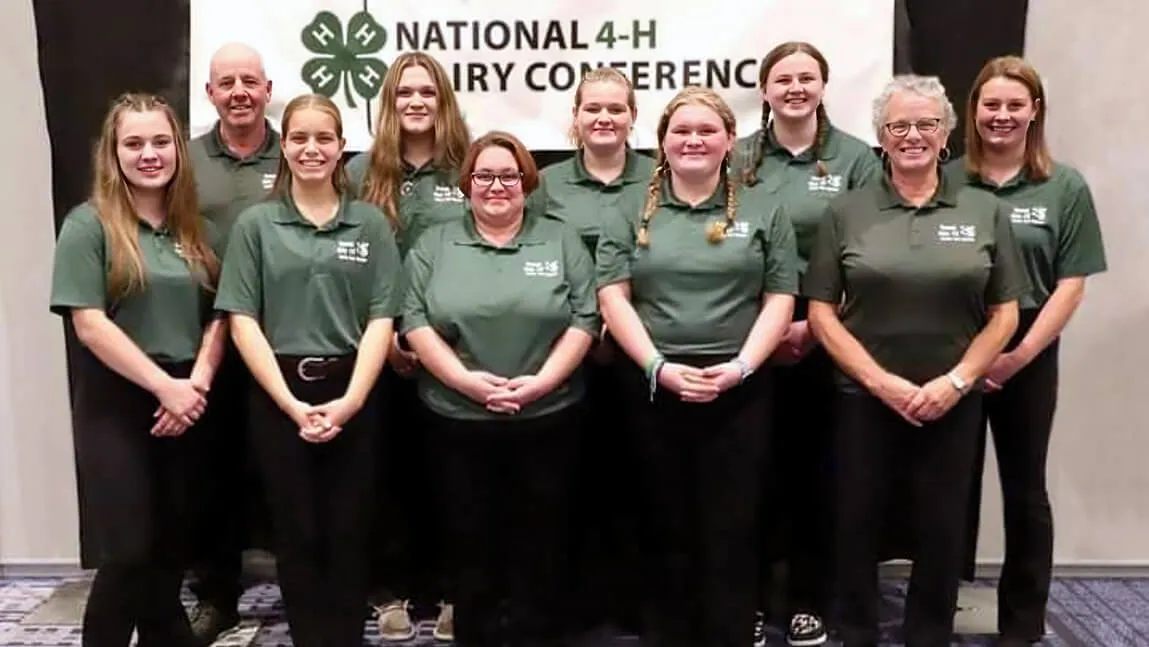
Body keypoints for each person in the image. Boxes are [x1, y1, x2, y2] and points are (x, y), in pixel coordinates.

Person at [802, 74, 1030, 647]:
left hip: (953, 398)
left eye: (926, 123)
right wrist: (880, 383)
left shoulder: (984, 211)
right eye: (898, 125)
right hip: (863, 397)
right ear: (880, 135)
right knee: (855, 519)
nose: (913, 135)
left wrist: (957, 381)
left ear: (947, 131)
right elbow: (822, 312)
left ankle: (928, 633)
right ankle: (854, 630)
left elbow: (1004, 314)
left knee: (943, 525)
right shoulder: (846, 212)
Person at [596, 86, 799, 647]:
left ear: (730, 141)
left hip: (740, 386)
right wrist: (658, 366)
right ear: (661, 142)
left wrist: (741, 368)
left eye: (707, 131)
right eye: (681, 131)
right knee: (662, 514)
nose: (693, 140)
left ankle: (729, 630)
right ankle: (666, 630)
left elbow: (781, 298)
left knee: (731, 519)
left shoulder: (764, 208)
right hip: (652, 383)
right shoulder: (627, 207)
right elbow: (613, 296)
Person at [214, 93, 403, 647]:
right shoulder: (257, 225)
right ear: (284, 148)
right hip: (279, 393)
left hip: (356, 390)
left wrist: (350, 402)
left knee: (350, 527)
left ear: (342, 148)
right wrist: (290, 404)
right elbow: (242, 320)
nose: (311, 149)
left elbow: (381, 320)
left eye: (324, 138)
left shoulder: (369, 223)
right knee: (295, 530)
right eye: (299, 138)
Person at [400, 131, 598, 647]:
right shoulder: (434, 243)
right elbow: (415, 320)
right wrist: (466, 382)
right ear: (467, 183)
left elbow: (586, 316)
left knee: (544, 546)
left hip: (549, 416)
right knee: (470, 547)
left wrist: (540, 384)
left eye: (507, 176)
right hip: (456, 420)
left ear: (526, 183)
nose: (496, 186)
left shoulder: (560, 238)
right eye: (484, 176)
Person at [49, 92, 226, 647]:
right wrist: (164, 388)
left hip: (186, 398)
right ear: (113, 152)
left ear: (177, 147)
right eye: (134, 143)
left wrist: (193, 384)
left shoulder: (196, 231)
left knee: (170, 551)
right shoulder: (89, 226)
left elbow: (219, 317)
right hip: (118, 403)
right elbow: (90, 325)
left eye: (159, 141)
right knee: (128, 551)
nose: (149, 154)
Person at [951, 56, 1107, 647]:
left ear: (1034, 111)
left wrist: (1018, 356)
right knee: (948, 488)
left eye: (1015, 104)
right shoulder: (948, 179)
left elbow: (1071, 283)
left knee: (1025, 488)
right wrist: (973, 358)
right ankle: (934, 610)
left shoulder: (1063, 186)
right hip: (955, 344)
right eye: (991, 104)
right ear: (974, 112)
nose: (1002, 115)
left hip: (1030, 348)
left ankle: (1022, 624)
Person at [734, 40, 881, 647]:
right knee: (748, 474)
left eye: (807, 78)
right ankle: (747, 601)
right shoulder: (738, 156)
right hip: (745, 331)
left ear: (823, 86)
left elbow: (871, 252)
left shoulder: (856, 159)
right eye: (782, 79)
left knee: (820, 476)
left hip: (831, 327)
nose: (795, 88)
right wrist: (768, 329)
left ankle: (806, 601)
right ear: (764, 90)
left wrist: (816, 325)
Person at [345, 51, 470, 643]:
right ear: (388, 104)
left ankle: (451, 591)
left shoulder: (469, 168)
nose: (416, 103)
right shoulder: (359, 174)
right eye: (404, 93)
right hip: (375, 347)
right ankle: (388, 592)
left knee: (449, 477)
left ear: (443, 101)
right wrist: (388, 335)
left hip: (454, 352)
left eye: (427, 92)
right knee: (381, 476)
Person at [537, 66, 654, 635]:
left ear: (634, 117)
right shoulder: (546, 185)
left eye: (616, 109)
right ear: (576, 118)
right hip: (564, 352)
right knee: (569, 481)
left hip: (646, 353)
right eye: (593, 109)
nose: (604, 119)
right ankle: (576, 603)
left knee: (641, 478)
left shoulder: (661, 178)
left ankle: (636, 599)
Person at [185, 41, 280, 644]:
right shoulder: (186, 162)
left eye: (250, 80)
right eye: (228, 82)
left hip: (285, 340)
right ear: (210, 94)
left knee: (294, 474)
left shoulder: (299, 152)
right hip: (210, 340)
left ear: (269, 89)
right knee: (210, 475)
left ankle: (318, 590)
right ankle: (216, 596)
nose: (240, 91)